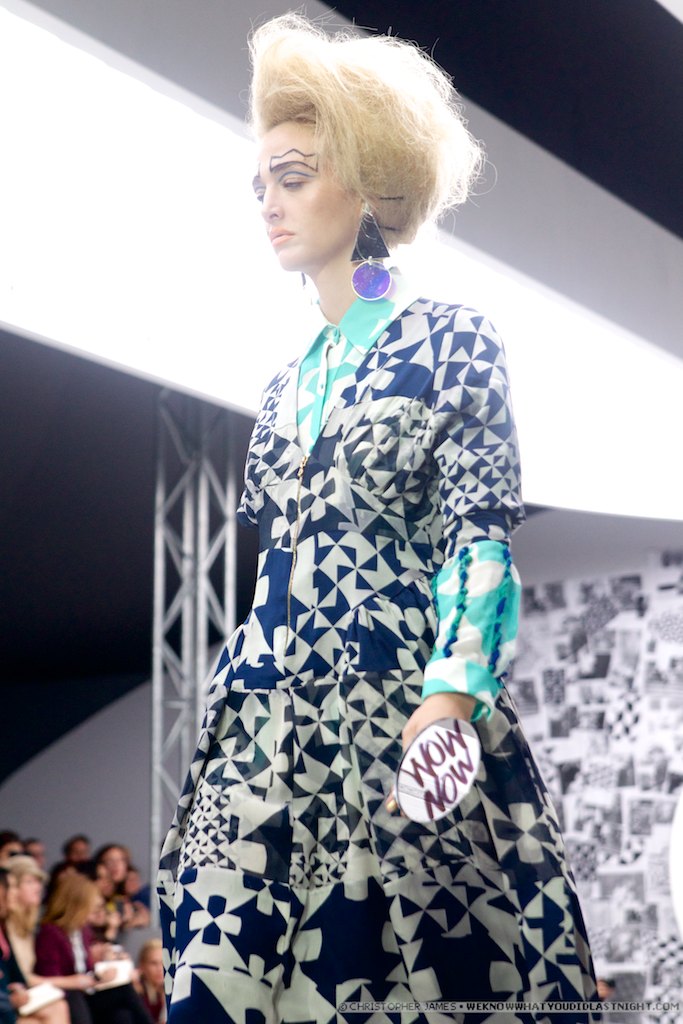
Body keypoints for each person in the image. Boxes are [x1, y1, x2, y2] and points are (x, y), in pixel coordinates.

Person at [157, 13, 597, 1022]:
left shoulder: (450, 342)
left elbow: (477, 536)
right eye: (259, 183)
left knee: (400, 983)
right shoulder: (281, 388)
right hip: (259, 732)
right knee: (217, 985)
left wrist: (452, 693)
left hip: (393, 712)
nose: (268, 203)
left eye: (293, 176)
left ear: (365, 183)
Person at [34, 873, 150, 1024]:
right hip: (68, 995)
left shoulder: (82, 932)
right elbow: (49, 977)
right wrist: (78, 981)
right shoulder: (51, 933)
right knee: (124, 990)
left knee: (122, 1016)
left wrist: (100, 976)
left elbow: (86, 971)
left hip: (86, 992)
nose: (93, 912)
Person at [134, 942, 165, 1024]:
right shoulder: (136, 994)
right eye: (153, 963)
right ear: (142, 966)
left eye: (163, 963)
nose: (160, 969)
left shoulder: (173, 991)